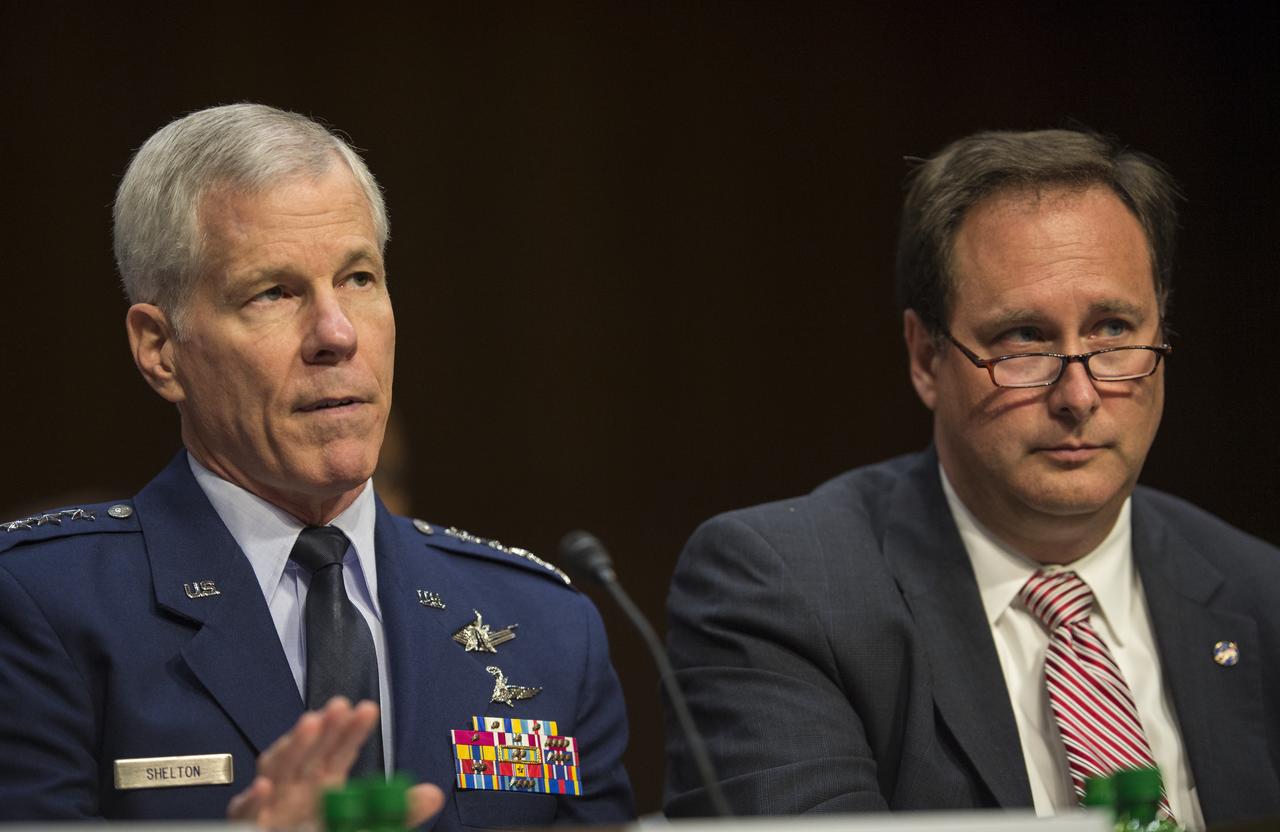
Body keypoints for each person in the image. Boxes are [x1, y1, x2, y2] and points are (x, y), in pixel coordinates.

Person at [0, 104, 635, 827]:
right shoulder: (40, 609)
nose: (336, 333)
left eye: (359, 279)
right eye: (273, 292)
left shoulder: (547, 628)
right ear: (160, 348)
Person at [664, 128, 1280, 829]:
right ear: (926, 358)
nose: (1078, 395)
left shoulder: (1262, 596)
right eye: (1024, 338)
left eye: (1113, 329)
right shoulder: (786, 593)